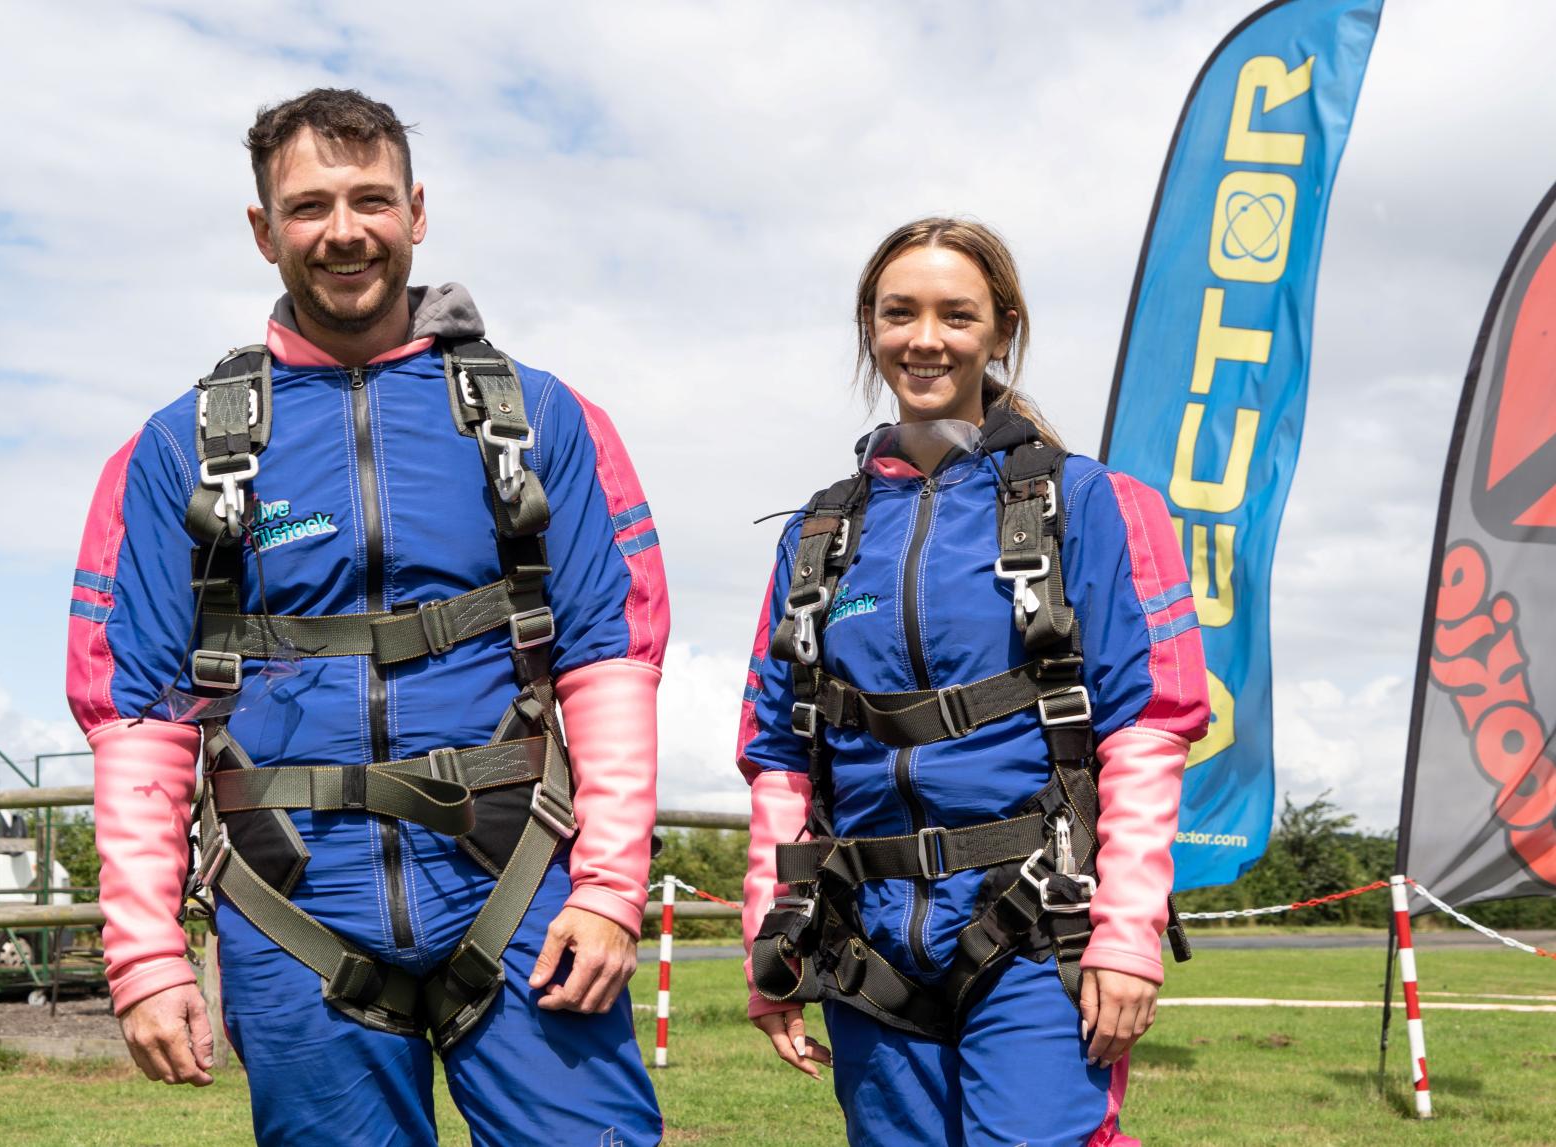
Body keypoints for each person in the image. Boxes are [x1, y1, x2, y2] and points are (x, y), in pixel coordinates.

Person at [66, 88, 666, 1146]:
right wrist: (146, 953)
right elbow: (135, 714)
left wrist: (614, 889)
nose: (343, 231)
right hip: (291, 897)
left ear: (416, 212)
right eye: (307, 207)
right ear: (263, 230)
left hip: (521, 887)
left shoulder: (538, 420)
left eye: (369, 200)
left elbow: (613, 659)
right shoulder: (179, 453)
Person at [736, 217, 1209, 1146]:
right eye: (898, 312)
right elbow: (781, 750)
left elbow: (1150, 727)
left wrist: (1126, 932)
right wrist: (772, 929)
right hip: (864, 939)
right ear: (869, 328)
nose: (925, 338)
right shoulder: (817, 537)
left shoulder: (1096, 506)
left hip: (1035, 932)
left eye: (956, 315)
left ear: (1002, 328)